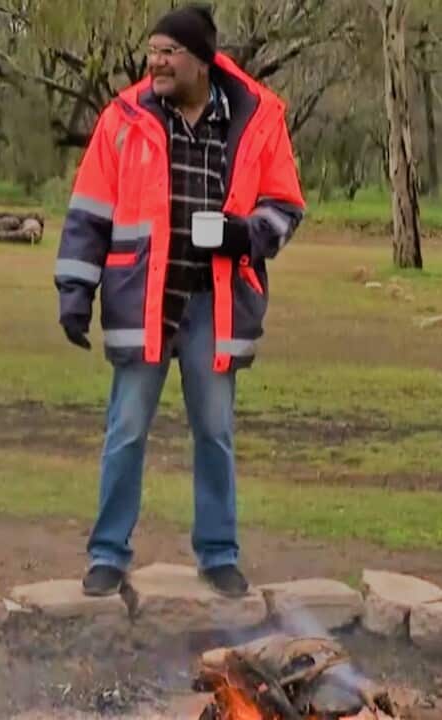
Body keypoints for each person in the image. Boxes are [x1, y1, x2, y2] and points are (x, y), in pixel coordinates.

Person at [54, 3, 305, 599]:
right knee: (127, 428)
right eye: (153, 52)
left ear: (202, 61)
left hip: (214, 305)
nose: (157, 63)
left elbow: (285, 205)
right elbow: (89, 211)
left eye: (169, 52)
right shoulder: (122, 119)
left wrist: (247, 233)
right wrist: (74, 289)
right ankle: (108, 554)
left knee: (214, 432)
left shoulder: (255, 118)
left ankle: (218, 553)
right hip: (143, 301)